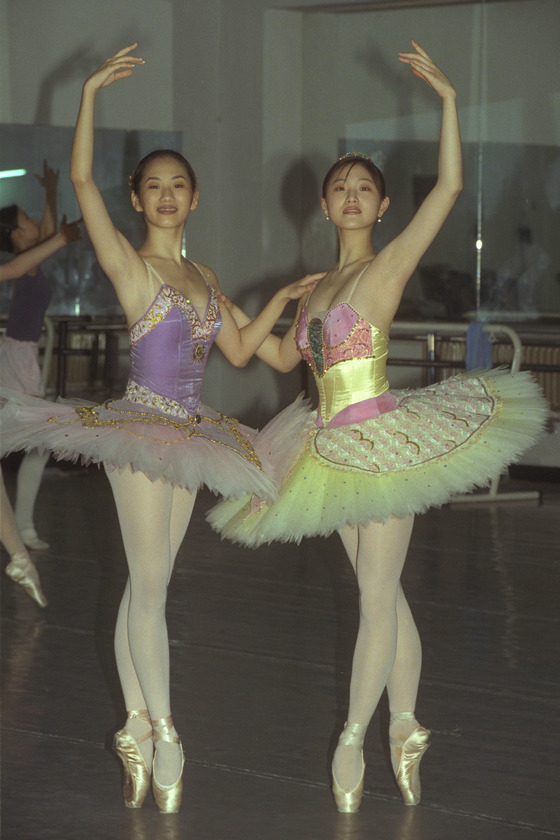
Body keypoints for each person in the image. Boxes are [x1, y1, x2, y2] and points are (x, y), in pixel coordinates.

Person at [208, 41, 549, 812]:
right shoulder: (314, 289)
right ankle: (407, 723)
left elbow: (452, 185)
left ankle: (352, 737)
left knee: (373, 595)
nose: (353, 195)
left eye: (365, 187)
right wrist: (221, 298)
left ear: (382, 206)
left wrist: (451, 103)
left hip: (383, 440)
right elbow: (267, 353)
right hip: (324, 445)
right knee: (384, 598)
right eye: (340, 187)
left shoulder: (386, 268)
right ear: (323, 207)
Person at [0, 44, 321, 814]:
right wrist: (87, 95)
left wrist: (293, 305)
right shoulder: (131, 267)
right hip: (141, 430)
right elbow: (80, 180)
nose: (167, 195)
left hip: (193, 433)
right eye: (153, 187)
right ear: (138, 202)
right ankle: (168, 730)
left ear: (195, 198)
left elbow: (249, 350)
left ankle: (134, 727)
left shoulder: (205, 280)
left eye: (179, 185)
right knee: (150, 591)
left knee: (150, 589)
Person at [1, 211, 81, 604]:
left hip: (21, 357)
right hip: (16, 360)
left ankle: (22, 532)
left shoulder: (29, 261)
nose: (35, 222)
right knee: (37, 440)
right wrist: (62, 237)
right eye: (26, 220)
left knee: (37, 442)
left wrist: (52, 201)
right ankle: (22, 532)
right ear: (16, 234)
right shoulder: (21, 266)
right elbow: (33, 252)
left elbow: (46, 237)